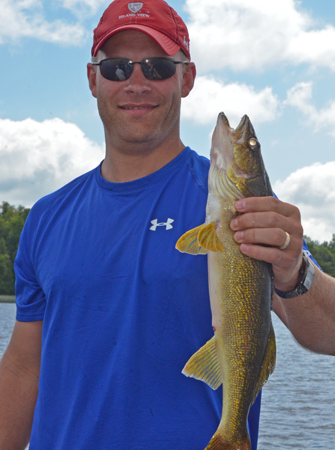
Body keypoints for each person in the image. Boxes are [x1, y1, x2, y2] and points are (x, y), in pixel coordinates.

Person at [0, 0, 334, 449]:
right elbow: (24, 367)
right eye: (117, 68)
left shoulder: (243, 211)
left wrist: (296, 275)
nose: (136, 83)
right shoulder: (46, 217)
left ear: (186, 78)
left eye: (157, 67)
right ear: (93, 79)